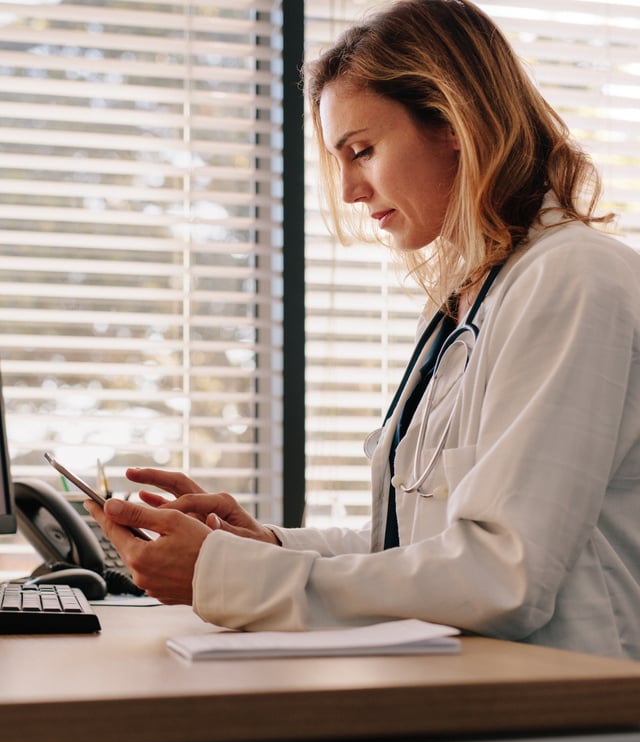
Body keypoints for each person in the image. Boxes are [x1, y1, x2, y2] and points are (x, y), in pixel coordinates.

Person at [86, 0, 640, 659]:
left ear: (455, 120)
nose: (348, 189)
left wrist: (227, 574)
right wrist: (264, 545)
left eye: (363, 151)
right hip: (474, 689)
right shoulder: (460, 308)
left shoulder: (573, 279)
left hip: (568, 706)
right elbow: (413, 552)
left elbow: (502, 573)